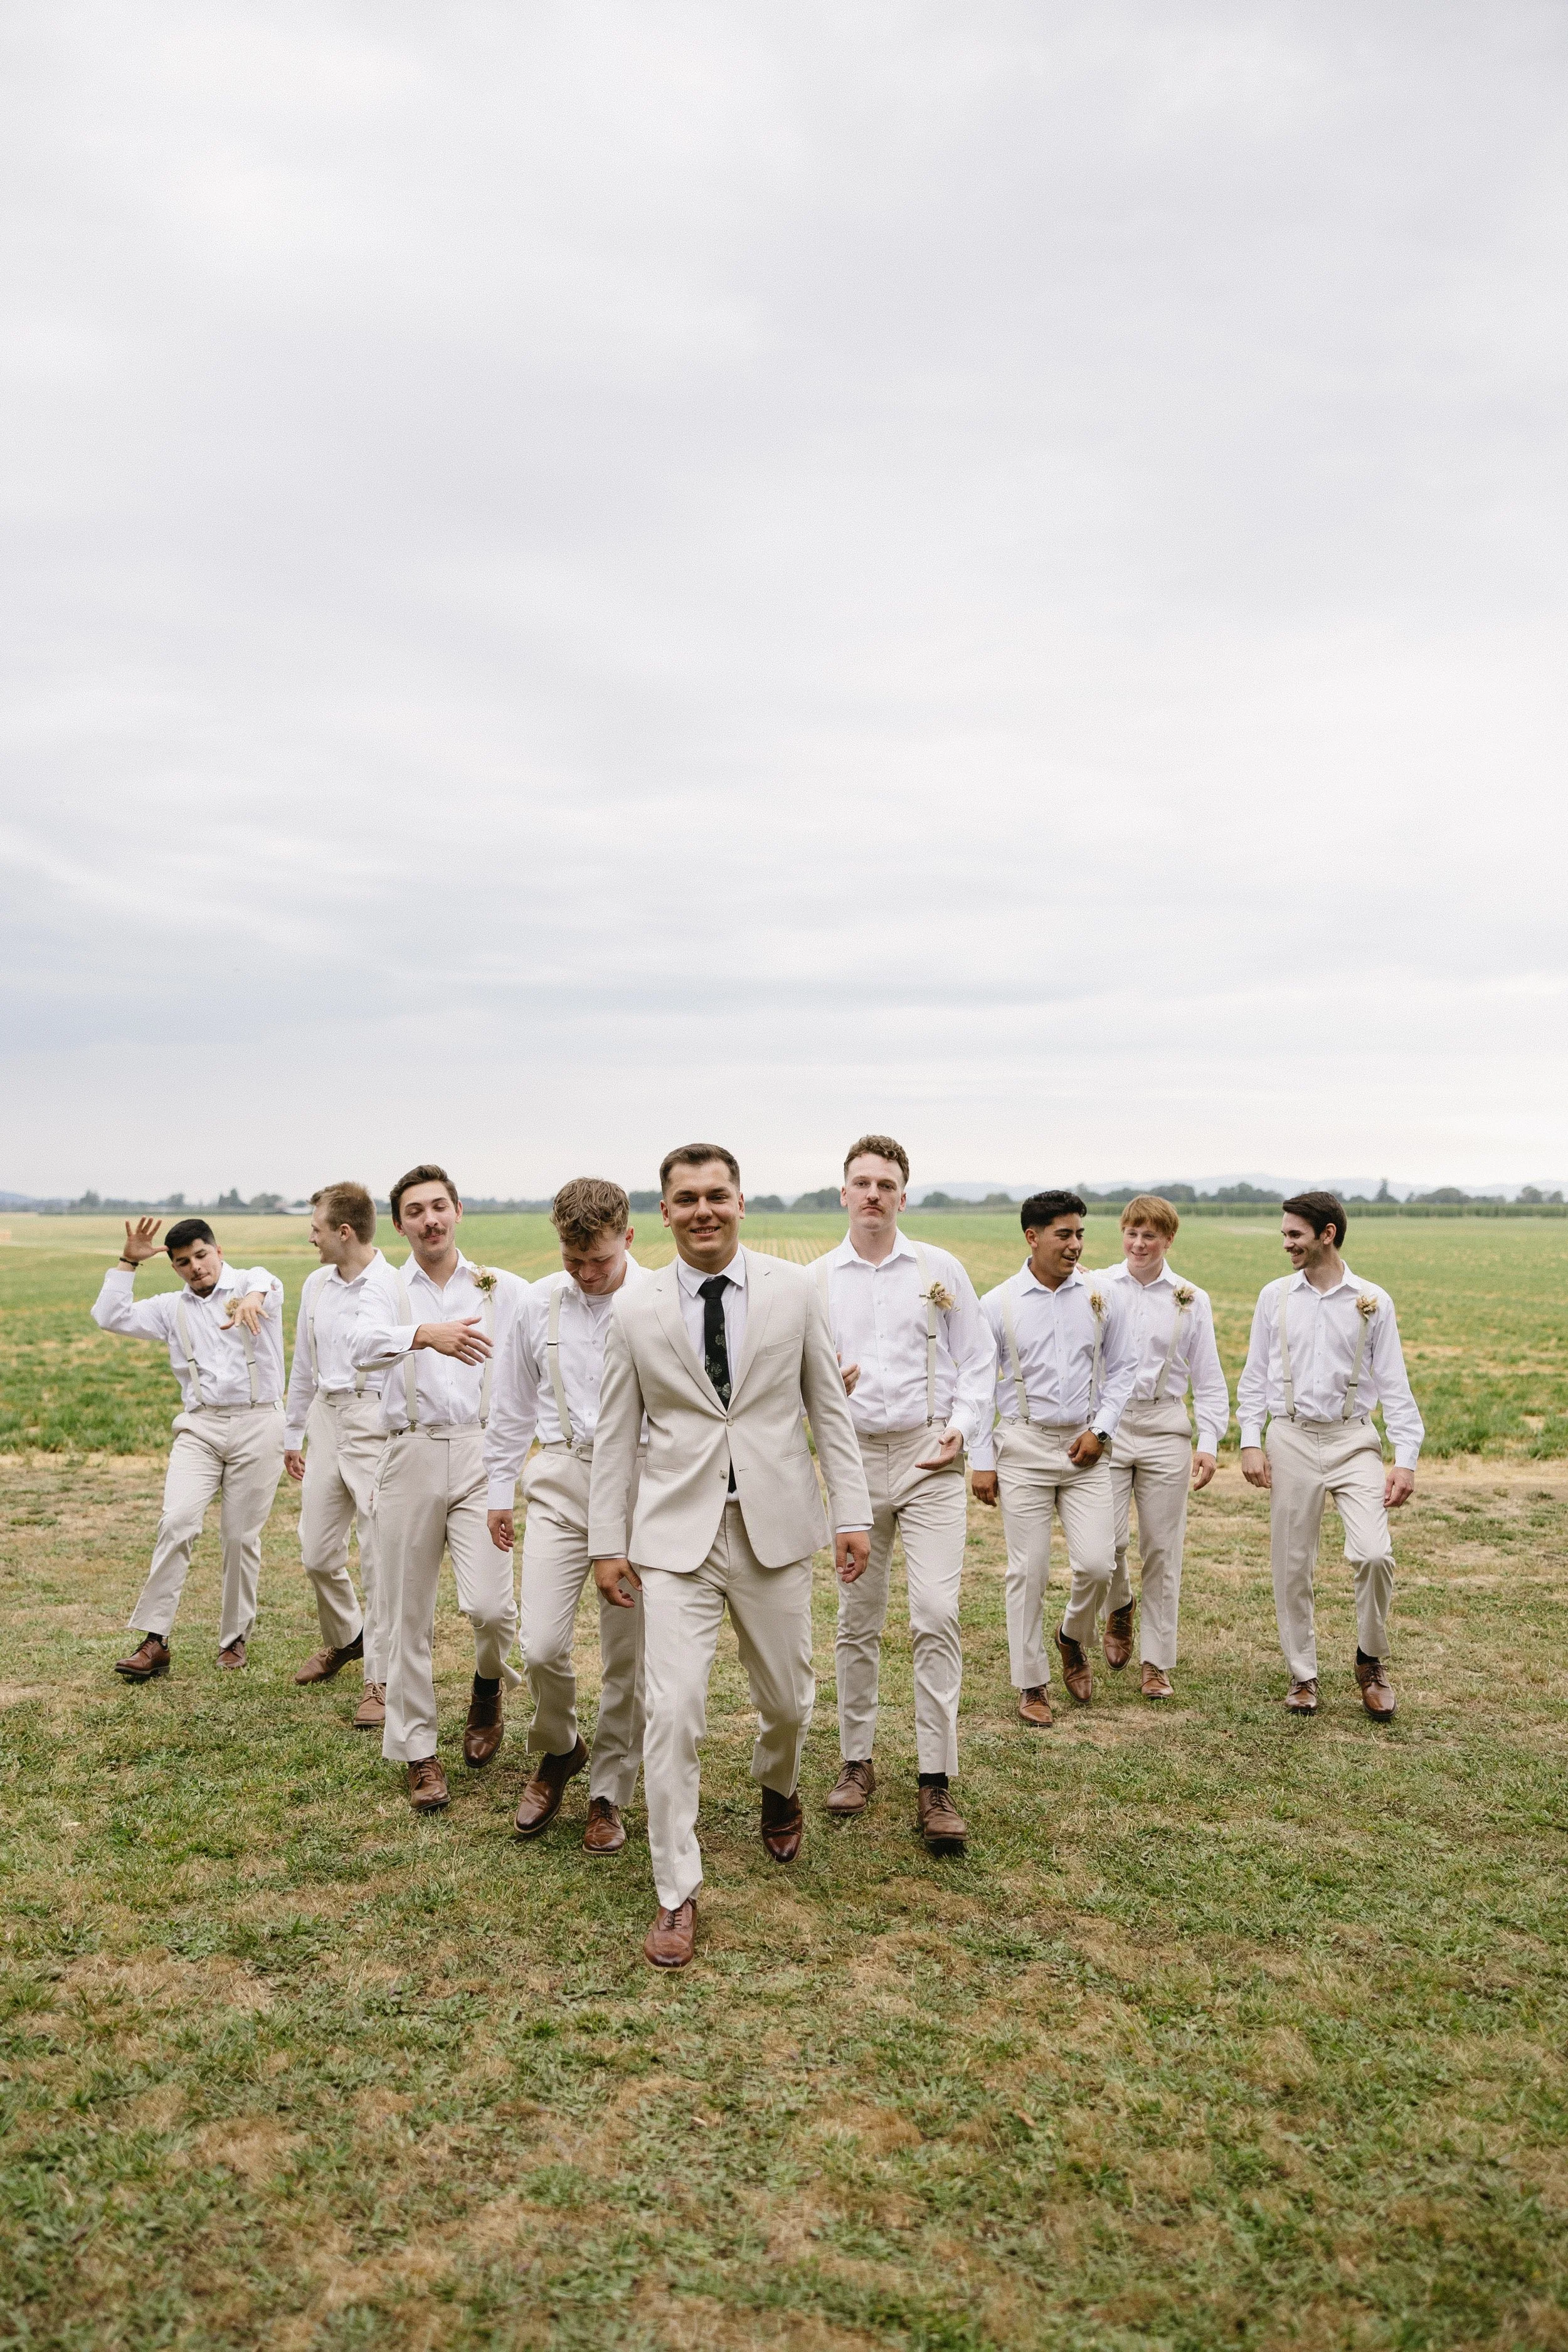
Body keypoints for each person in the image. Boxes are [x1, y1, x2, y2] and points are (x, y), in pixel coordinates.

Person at [588, 1143, 871, 1971]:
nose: (703, 1210)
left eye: (717, 1195)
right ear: (665, 1211)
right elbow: (614, 1439)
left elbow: (829, 1408)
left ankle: (778, 1782)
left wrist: (849, 1510)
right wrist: (608, 1542)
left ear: (741, 1201)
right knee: (671, 1711)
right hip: (675, 1538)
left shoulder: (797, 1292)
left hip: (775, 1526)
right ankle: (676, 1888)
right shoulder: (635, 1310)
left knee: (788, 1701)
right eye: (686, 1198)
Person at [813, 1134, 995, 1848]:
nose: (872, 1195)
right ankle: (856, 1761)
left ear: (902, 1196)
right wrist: (826, 1391)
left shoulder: (939, 1270)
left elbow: (978, 1360)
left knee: (935, 1612)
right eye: (861, 1183)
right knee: (857, 1616)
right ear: (843, 1194)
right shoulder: (816, 1281)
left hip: (929, 1456)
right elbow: (791, 1375)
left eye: (885, 1184)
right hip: (852, 1460)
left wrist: (961, 1426)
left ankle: (935, 1781)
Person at [351, 1164, 529, 1809]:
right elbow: (358, 1345)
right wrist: (426, 1335)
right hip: (411, 1452)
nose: (430, 1219)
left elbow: (551, 1333)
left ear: (457, 1211)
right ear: (399, 1225)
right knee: (406, 1614)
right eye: (415, 1211)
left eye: (439, 1207)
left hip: (484, 1452)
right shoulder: (382, 1288)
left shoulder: (499, 1287)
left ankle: (487, 1685)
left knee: (490, 1607)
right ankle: (418, 1752)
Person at [485, 1178, 649, 1853]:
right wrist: (499, 1488)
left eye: (599, 1262)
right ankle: (560, 1747)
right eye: (572, 1259)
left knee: (628, 1655)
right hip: (558, 1476)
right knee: (541, 1645)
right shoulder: (534, 1303)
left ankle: (609, 1790)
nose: (585, 1275)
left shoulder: (661, 1300)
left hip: (641, 1484)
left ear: (629, 1240)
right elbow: (511, 1402)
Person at [1237, 1191, 1423, 1719]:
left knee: (1373, 1554)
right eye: (1284, 1235)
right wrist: (1250, 1439)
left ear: (1327, 1234)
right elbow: (1254, 1377)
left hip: (1353, 1439)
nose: (1286, 1244)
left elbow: (1396, 1384)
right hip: (1290, 1437)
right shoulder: (1274, 1297)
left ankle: (1371, 1660)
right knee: (1292, 1563)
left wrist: (1405, 1457)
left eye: (1294, 1234)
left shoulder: (1372, 1300)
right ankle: (1303, 1675)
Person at [92, 1216, 285, 1678]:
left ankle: (235, 1638)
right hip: (199, 1426)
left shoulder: (254, 1287)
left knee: (240, 1537)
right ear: (175, 1267)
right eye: (183, 1262)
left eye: (202, 1256)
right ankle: (155, 1640)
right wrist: (127, 1263)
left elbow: (265, 1281)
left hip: (260, 1421)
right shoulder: (169, 1308)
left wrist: (253, 1298)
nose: (196, 1268)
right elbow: (108, 1316)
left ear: (217, 1251)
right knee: (176, 1521)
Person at [971, 1191, 1138, 1717]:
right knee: (1029, 1570)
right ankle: (1031, 1684)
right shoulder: (997, 1305)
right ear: (1033, 1237)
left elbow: (1124, 1369)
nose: (1075, 1245)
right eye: (1064, 1234)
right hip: (1022, 1445)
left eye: (1080, 1234)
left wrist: (1102, 1430)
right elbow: (975, 1385)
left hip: (1086, 1449)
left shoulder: (1102, 1294)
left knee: (1097, 1564)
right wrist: (982, 1458)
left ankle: (1071, 1635)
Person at [1086, 1196, 1230, 1700]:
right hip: (1109, 1425)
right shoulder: (1098, 1287)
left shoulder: (1191, 1298)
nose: (1140, 1244)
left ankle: (1157, 1663)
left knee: (1163, 1548)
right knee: (1104, 1546)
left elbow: (1209, 1377)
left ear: (1168, 1240)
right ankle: (1119, 1606)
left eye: (1150, 1236)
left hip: (1166, 1425)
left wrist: (1209, 1441)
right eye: (1132, 1233)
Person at [282, 1182, 403, 1729]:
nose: (312, 1237)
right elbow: (304, 1362)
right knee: (316, 1552)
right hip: (326, 1422)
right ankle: (346, 1638)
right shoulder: (315, 1284)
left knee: (379, 1559)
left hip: (375, 1421)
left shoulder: (395, 1286)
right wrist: (293, 1433)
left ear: (344, 1232)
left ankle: (380, 1680)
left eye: (317, 1229)